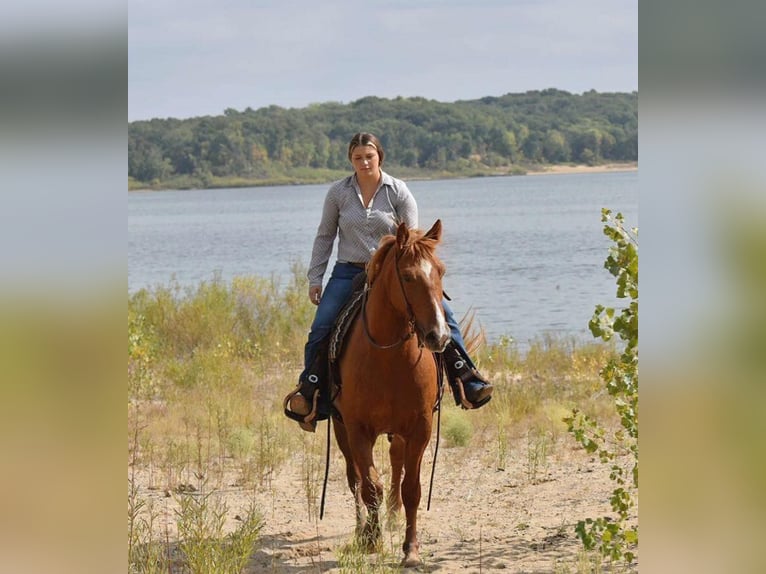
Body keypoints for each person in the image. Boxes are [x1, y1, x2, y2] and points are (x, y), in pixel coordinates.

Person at [285, 132, 493, 432]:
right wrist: (315, 278)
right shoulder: (338, 193)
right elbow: (325, 236)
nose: (364, 162)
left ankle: (466, 378)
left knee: (442, 316)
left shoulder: (398, 191)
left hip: (391, 272)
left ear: (379, 157)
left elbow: (413, 241)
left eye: (369, 156)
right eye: (358, 157)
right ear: (351, 160)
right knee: (321, 326)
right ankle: (312, 391)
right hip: (348, 271)